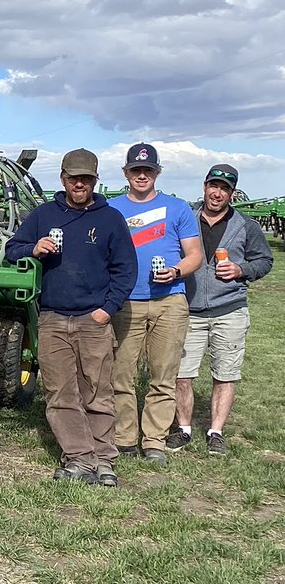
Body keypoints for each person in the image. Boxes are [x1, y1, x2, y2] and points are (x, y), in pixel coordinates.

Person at [5, 149, 137, 485]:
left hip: (93, 319)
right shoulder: (44, 214)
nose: (79, 184)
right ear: (62, 179)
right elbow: (12, 249)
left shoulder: (110, 219)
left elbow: (126, 269)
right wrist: (34, 248)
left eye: (86, 179)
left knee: (97, 390)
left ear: (95, 180)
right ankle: (80, 458)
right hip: (52, 318)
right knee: (60, 392)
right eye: (73, 178)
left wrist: (107, 310)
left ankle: (104, 459)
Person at [109, 143, 203, 466]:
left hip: (169, 302)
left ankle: (154, 441)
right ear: (126, 173)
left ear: (157, 173)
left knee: (163, 376)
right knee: (121, 374)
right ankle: (123, 438)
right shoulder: (112, 209)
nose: (141, 175)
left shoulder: (178, 209)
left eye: (147, 170)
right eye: (136, 170)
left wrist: (175, 271)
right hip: (125, 302)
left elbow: (195, 256)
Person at [169, 164, 273, 455]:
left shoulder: (245, 226)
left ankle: (215, 431)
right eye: (213, 186)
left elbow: (265, 261)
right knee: (181, 374)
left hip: (230, 309)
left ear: (232, 193)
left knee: (225, 374)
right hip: (189, 309)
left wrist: (242, 269)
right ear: (204, 186)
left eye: (224, 189)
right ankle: (184, 429)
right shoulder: (184, 218)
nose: (217, 193)